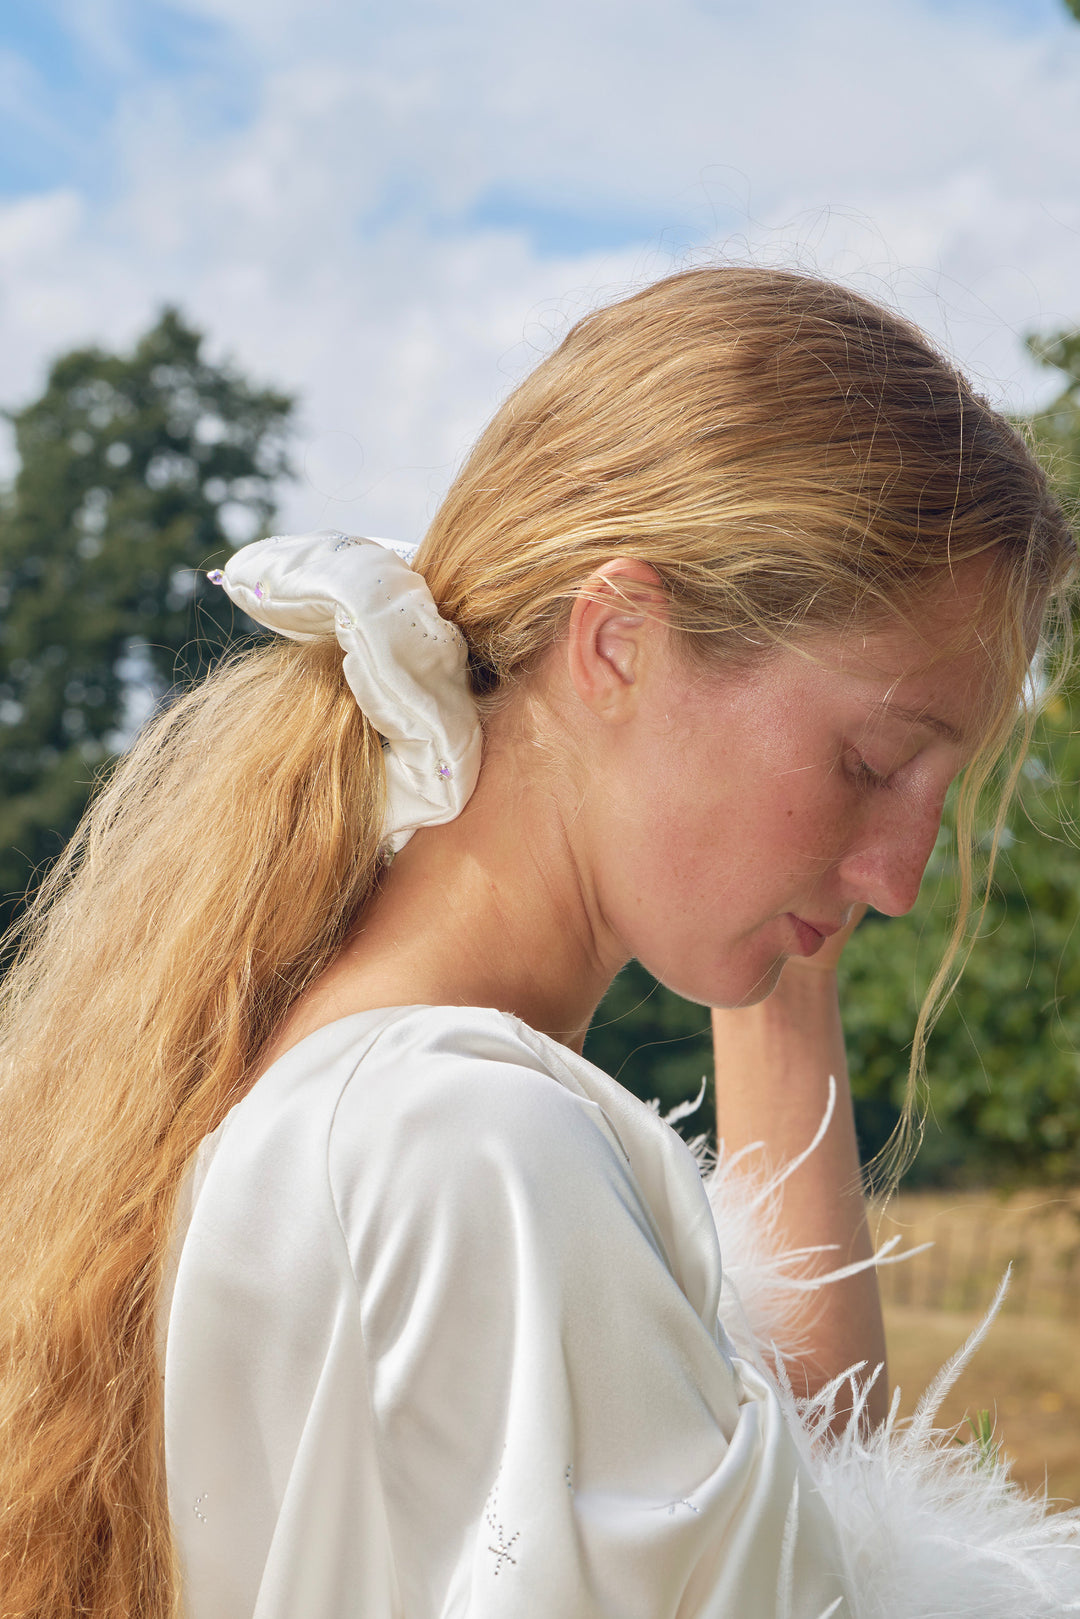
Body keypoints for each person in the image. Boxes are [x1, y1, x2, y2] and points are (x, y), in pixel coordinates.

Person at [1, 267, 1077, 1618]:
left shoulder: (370, 1095)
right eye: (870, 764)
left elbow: (810, 1498)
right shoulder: (471, 1150)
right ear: (620, 640)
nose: (908, 880)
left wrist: (786, 950)